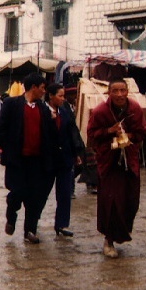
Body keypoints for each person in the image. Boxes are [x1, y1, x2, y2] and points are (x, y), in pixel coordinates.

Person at [86, 78, 146, 258]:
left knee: (130, 201)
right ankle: (109, 240)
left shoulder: (134, 109)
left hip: (129, 162)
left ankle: (122, 232)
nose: (120, 95)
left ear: (127, 91)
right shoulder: (101, 111)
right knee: (112, 202)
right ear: (109, 93)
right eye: (116, 91)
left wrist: (128, 135)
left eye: (123, 90)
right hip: (109, 163)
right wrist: (109, 131)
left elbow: (142, 132)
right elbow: (91, 135)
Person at [0, 73, 58, 244]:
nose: (44, 92)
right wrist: (7, 151)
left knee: (35, 197)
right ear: (33, 87)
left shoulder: (43, 109)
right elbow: (1, 130)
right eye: (42, 88)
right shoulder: (11, 104)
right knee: (17, 192)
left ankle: (30, 229)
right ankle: (11, 216)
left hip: (37, 161)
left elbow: (49, 135)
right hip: (17, 160)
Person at [45, 83, 85, 237]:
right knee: (42, 192)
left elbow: (71, 133)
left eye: (63, 96)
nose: (62, 99)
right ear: (50, 95)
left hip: (65, 158)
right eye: (60, 95)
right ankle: (32, 224)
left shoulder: (65, 111)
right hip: (48, 159)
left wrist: (76, 154)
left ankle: (62, 224)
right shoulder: (42, 110)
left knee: (65, 193)